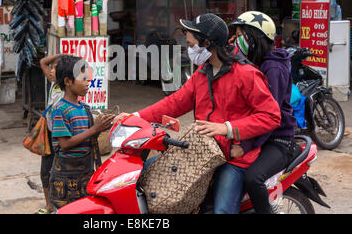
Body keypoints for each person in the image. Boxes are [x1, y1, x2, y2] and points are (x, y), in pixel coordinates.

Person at [117, 14, 282, 214]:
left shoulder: (246, 74)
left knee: (222, 211)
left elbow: (271, 115)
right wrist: (134, 117)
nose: (189, 48)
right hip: (200, 152)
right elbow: (174, 103)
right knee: (145, 177)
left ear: (207, 43)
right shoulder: (203, 73)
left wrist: (228, 128)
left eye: (191, 43)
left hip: (233, 158)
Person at [231, 11, 299, 214]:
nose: (236, 39)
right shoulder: (258, 63)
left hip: (279, 140)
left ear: (255, 37)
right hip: (262, 136)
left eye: (240, 34)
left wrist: (246, 146)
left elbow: (270, 117)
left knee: (252, 177)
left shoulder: (273, 68)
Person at [49, 55, 114, 209]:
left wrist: (100, 128)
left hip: (85, 174)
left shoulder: (84, 108)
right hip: (65, 179)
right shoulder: (60, 109)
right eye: (83, 78)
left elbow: (88, 139)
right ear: (67, 81)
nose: (88, 82)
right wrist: (94, 129)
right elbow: (65, 144)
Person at [34, 54, 64, 214]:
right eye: (51, 68)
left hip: (62, 137)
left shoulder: (69, 88)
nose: (51, 71)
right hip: (49, 134)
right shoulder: (54, 85)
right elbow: (42, 62)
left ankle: (62, 205)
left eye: (55, 68)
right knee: (45, 172)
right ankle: (49, 205)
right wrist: (60, 55)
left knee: (59, 172)